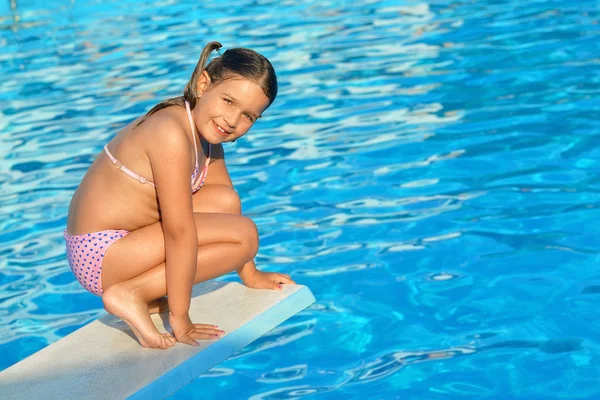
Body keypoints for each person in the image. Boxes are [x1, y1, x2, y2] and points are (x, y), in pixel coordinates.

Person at [64, 41, 295, 349]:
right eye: (228, 101)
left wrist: (249, 274)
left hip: (129, 241)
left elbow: (227, 202)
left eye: (248, 116)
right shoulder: (170, 132)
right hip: (100, 253)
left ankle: (141, 289)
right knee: (245, 236)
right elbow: (179, 231)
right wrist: (181, 318)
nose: (232, 121)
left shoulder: (206, 133)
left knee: (225, 202)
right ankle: (130, 293)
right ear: (203, 84)